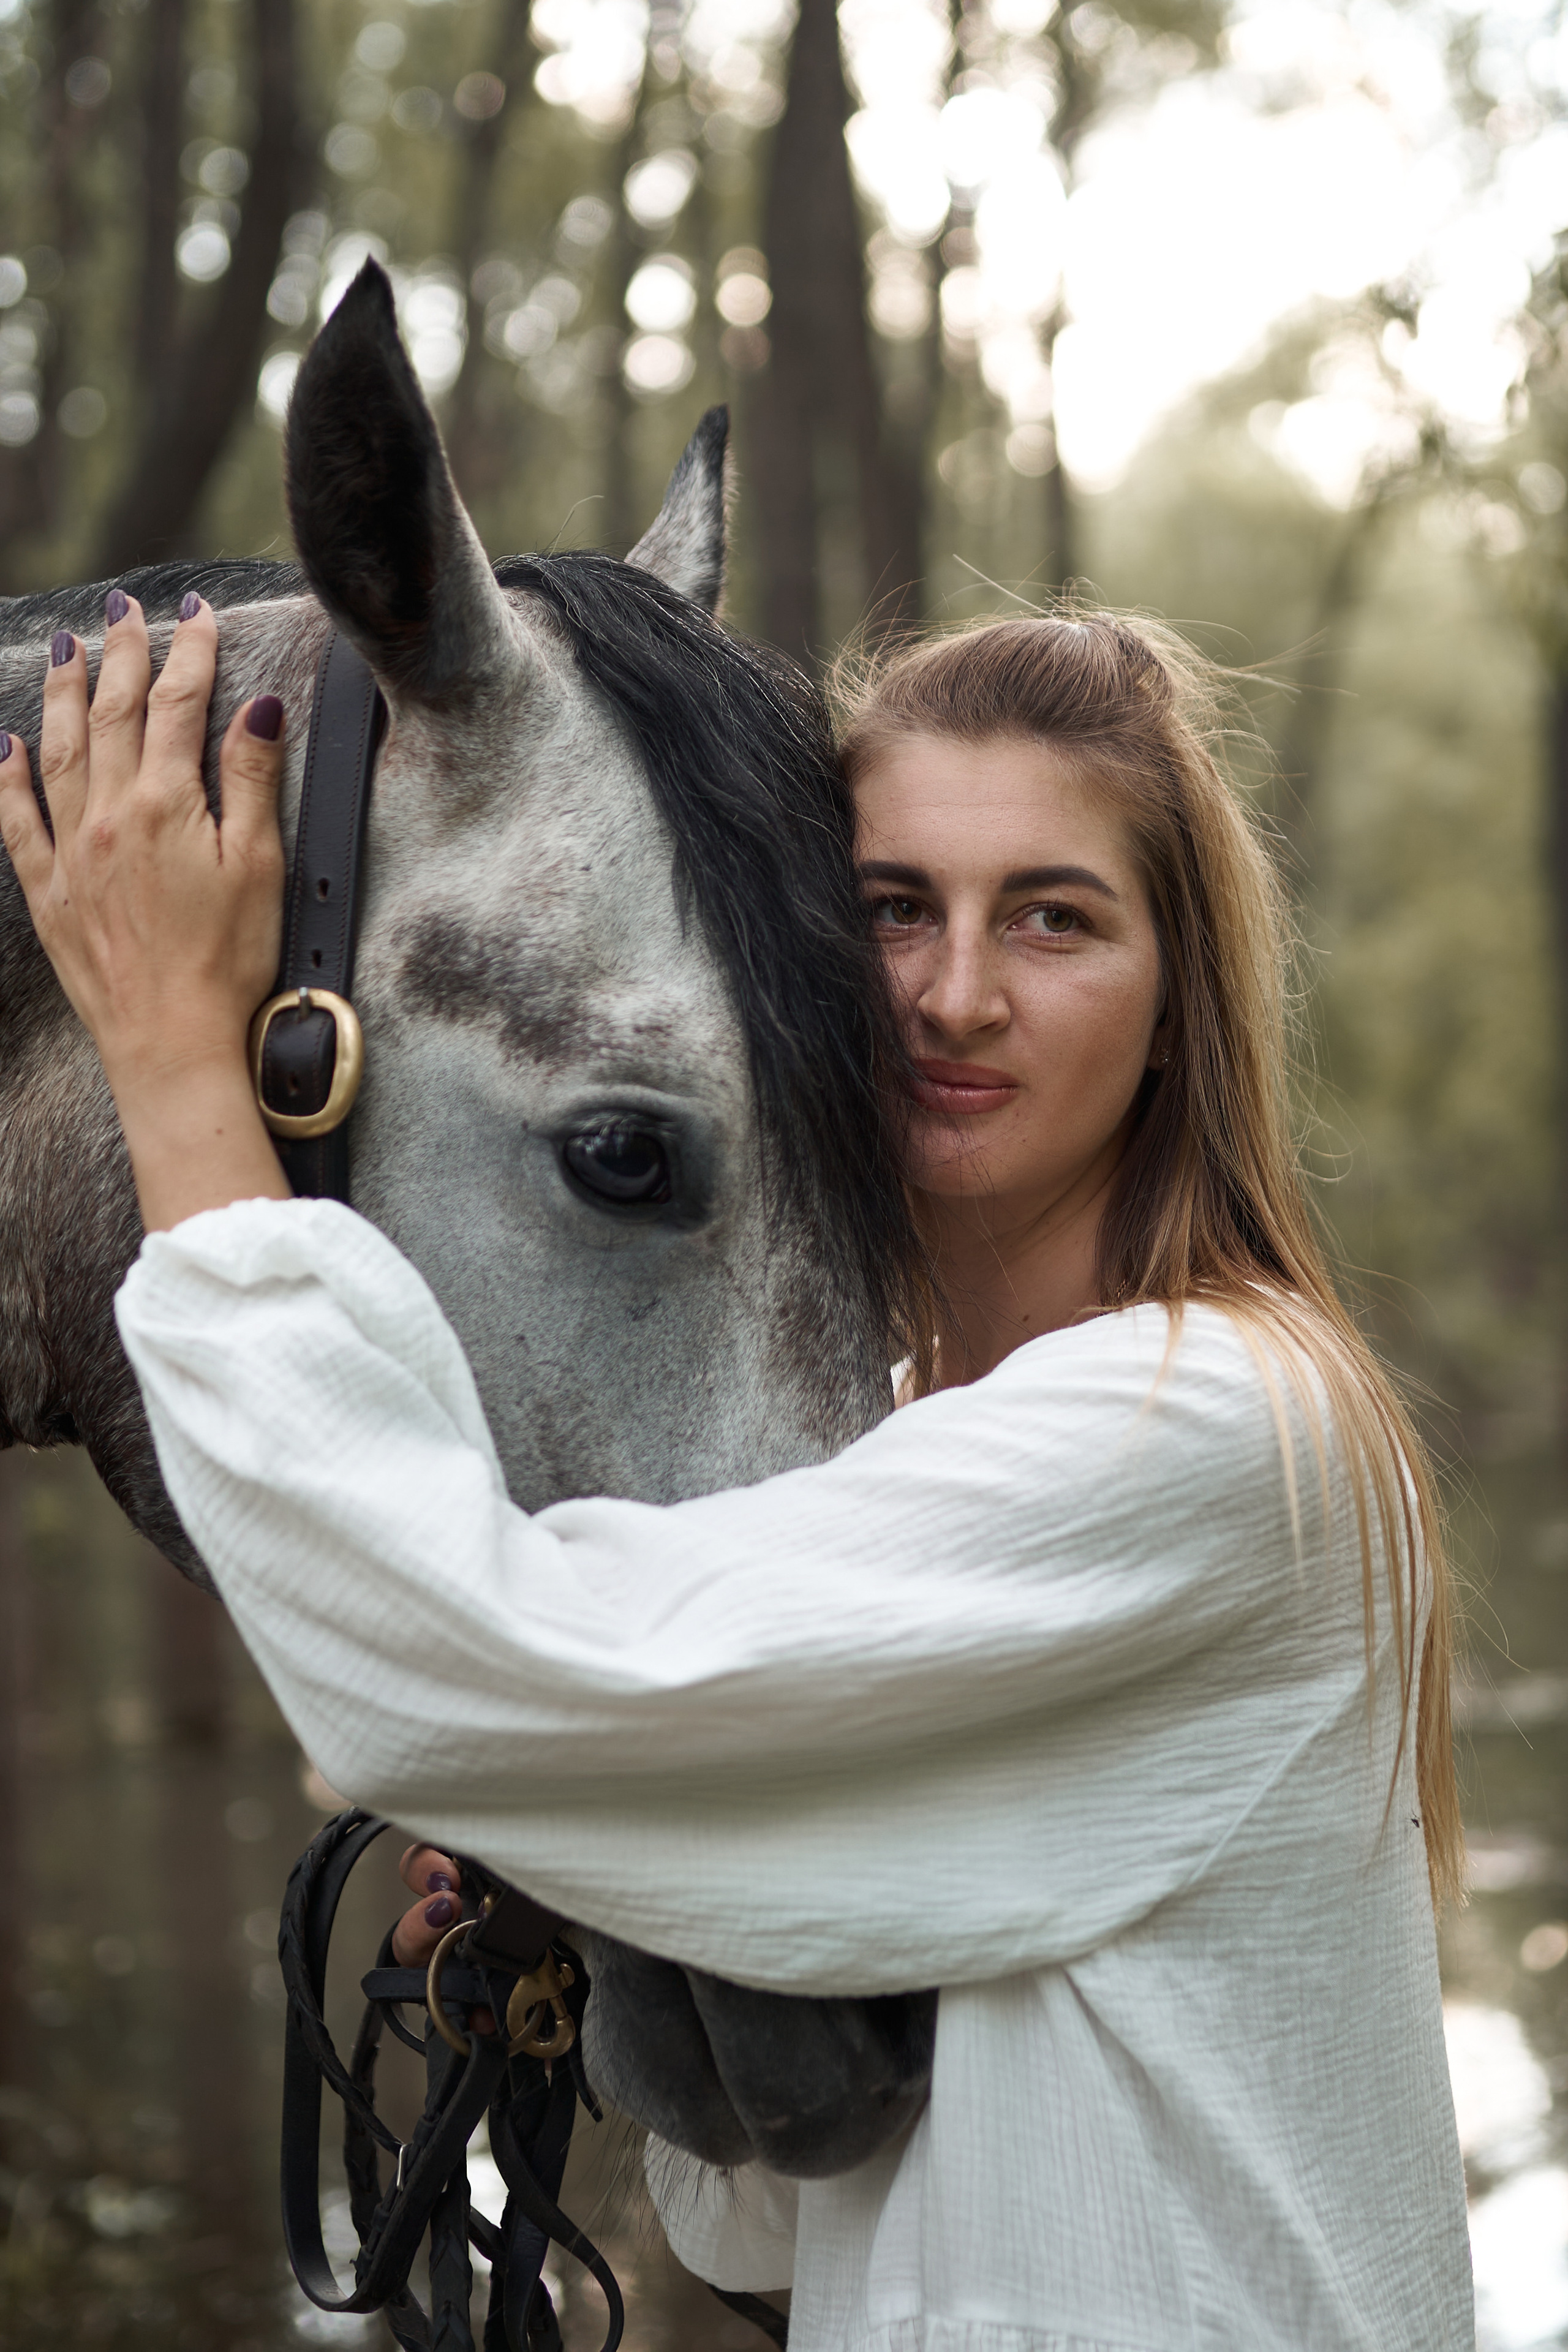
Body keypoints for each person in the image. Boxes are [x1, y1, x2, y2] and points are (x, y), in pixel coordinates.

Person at [0, 594, 1473, 2351]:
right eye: (892, 910)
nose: (955, 993)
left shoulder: (1215, 1425)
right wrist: (621, 1872)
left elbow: (467, 1672)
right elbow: (786, 2217)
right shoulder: (924, 1437)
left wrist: (175, 1068)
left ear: (1176, 1006)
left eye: (1056, 920)